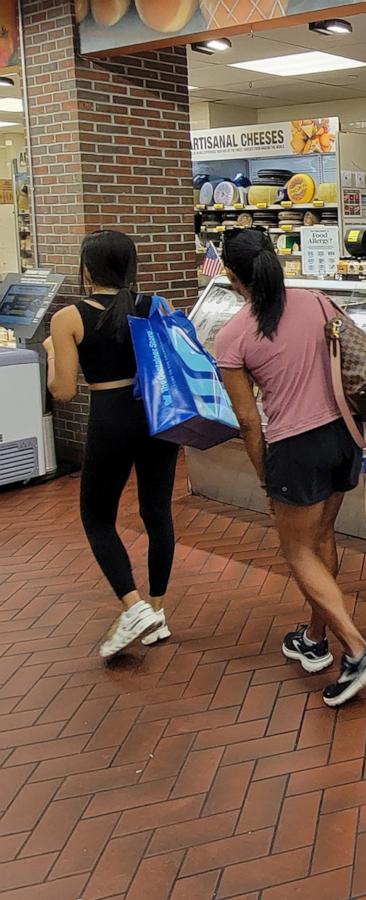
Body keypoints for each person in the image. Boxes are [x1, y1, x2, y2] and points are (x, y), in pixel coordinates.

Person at [214, 229, 366, 706]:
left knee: (297, 551)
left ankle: (357, 650)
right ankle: (316, 639)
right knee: (323, 539)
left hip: (296, 449)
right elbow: (360, 362)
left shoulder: (232, 336)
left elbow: (249, 422)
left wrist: (264, 476)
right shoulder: (316, 302)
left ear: (233, 277)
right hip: (344, 436)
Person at [46, 230, 179, 658]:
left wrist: (52, 351)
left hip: (111, 414)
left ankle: (132, 604)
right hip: (158, 416)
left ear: (87, 269)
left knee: (98, 517)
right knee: (157, 512)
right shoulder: (157, 304)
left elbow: (63, 391)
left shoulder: (69, 317)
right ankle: (156, 611)